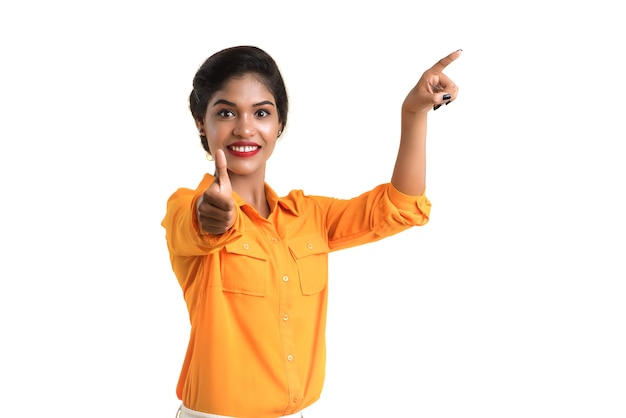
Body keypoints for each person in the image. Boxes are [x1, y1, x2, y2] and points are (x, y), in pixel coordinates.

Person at [162, 45, 461, 418]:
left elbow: (399, 207)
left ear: (280, 124)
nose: (244, 128)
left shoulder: (308, 216)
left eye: (261, 113)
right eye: (225, 112)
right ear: (200, 122)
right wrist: (214, 215)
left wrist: (413, 113)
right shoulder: (185, 206)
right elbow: (196, 224)